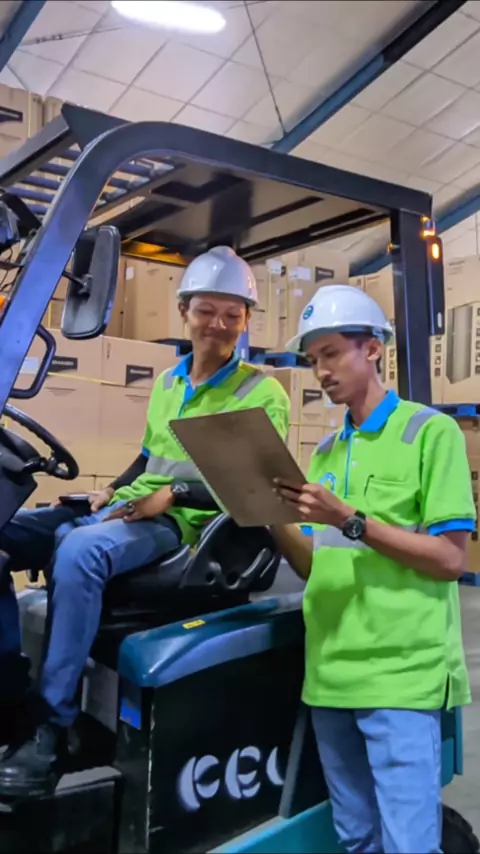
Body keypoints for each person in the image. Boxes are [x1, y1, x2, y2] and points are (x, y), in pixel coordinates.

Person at [0, 246, 290, 798]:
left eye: (232, 314)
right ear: (184, 312)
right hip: (132, 507)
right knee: (6, 529)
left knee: (79, 551)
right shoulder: (169, 382)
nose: (219, 325)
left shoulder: (259, 391)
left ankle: (52, 725)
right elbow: (148, 456)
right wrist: (110, 490)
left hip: (185, 526)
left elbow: (253, 484)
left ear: (246, 320)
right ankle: (10, 692)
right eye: (207, 311)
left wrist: (171, 494)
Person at [272, 284, 475, 854]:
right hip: (330, 675)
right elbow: (313, 565)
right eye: (313, 360)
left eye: (332, 354)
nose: (321, 372)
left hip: (400, 677)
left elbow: (450, 559)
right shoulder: (325, 453)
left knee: (409, 845)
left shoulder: (428, 433)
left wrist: (349, 519)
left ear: (373, 349)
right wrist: (261, 511)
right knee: (358, 838)